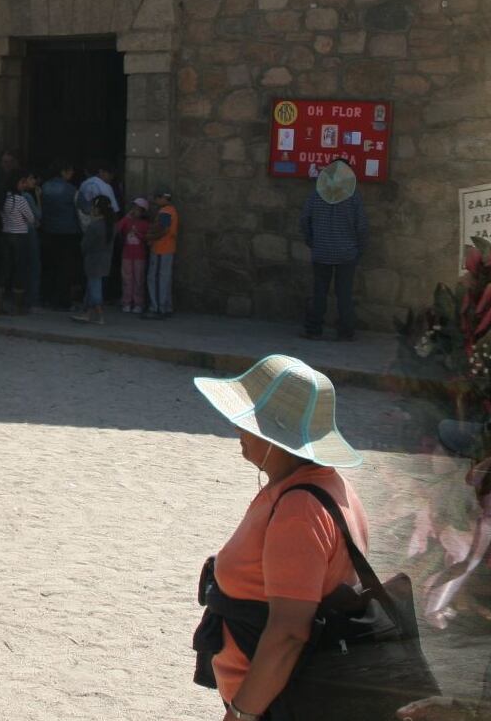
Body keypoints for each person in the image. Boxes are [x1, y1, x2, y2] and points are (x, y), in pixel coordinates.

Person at [193, 355, 369, 720]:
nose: (236, 428)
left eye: (246, 422)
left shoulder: (299, 510)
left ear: (274, 434)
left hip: (275, 705)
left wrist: (242, 713)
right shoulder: (323, 484)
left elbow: (289, 632)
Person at [301, 162, 365, 341]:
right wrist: (359, 249)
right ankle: (346, 332)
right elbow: (361, 227)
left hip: (321, 251)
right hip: (346, 253)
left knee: (319, 292)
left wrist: (312, 242)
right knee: (344, 294)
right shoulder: (353, 197)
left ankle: (313, 329)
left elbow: (305, 220)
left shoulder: (316, 195)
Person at [37, 164, 81, 311]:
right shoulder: (71, 189)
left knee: (49, 266)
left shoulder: (44, 187)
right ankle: (62, 301)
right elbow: (80, 210)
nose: (72, 174)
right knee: (65, 268)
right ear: (63, 171)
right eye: (70, 170)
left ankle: (46, 298)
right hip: (67, 233)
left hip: (48, 231)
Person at [0, 172, 40, 316]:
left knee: (4, 268)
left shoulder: (4, 198)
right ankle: (17, 306)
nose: (24, 185)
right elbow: (31, 218)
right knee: (19, 269)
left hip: (5, 233)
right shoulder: (20, 200)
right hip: (20, 235)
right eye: (22, 182)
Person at [73, 196, 111, 326]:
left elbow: (85, 245)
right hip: (105, 259)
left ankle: (100, 315)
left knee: (94, 288)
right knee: (91, 287)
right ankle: (87, 313)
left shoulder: (94, 226)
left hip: (93, 260)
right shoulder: (111, 225)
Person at [145, 190, 179, 320]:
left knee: (156, 278)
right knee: (164, 278)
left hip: (161, 249)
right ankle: (166, 307)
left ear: (162, 199)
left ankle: (158, 308)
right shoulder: (171, 210)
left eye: (157, 198)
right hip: (167, 248)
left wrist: (150, 237)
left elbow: (164, 229)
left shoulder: (165, 211)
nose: (155, 201)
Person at [116, 199, 151, 316]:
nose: (135, 211)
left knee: (138, 280)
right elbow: (117, 228)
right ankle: (126, 302)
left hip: (139, 256)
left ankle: (138, 303)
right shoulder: (127, 221)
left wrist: (139, 235)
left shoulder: (145, 224)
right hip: (126, 255)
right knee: (127, 279)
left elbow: (148, 238)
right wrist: (126, 218)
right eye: (134, 208)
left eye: (137, 209)